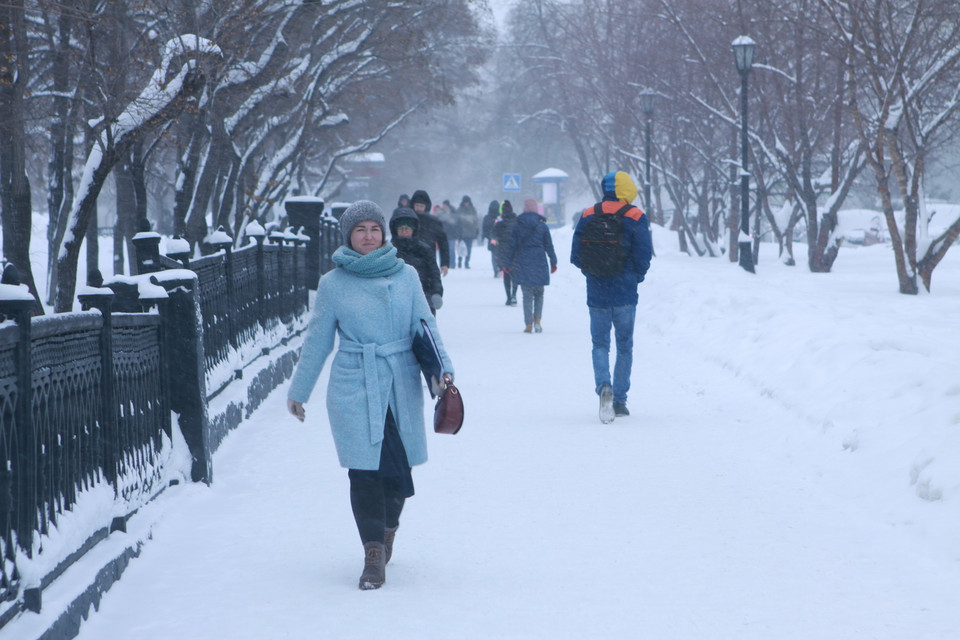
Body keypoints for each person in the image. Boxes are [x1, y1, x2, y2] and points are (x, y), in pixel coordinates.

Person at [286, 200, 454, 590]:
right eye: (360, 230)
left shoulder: (407, 275)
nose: (368, 236)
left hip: (399, 382)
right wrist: (300, 390)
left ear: (384, 233)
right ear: (348, 236)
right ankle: (373, 553)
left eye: (374, 229)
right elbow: (317, 342)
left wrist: (444, 370)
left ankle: (389, 526)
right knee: (364, 471)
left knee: (397, 476)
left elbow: (425, 326)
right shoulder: (333, 283)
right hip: (353, 383)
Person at [570, 171, 652, 421]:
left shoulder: (588, 214)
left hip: (597, 293)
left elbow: (576, 254)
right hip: (625, 293)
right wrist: (635, 276)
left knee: (600, 344)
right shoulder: (635, 216)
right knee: (624, 346)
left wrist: (593, 273)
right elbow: (644, 255)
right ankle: (619, 400)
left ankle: (603, 385)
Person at [506, 198, 557, 333]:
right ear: (536, 209)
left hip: (523, 262)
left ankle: (528, 324)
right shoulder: (543, 226)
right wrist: (553, 262)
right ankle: (538, 321)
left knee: (527, 295)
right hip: (539, 262)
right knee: (539, 294)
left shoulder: (518, 226)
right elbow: (549, 246)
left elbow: (512, 247)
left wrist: (507, 263)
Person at [390, 206, 443, 314]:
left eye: (407, 229)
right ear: (395, 230)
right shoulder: (389, 251)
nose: (404, 232)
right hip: (395, 299)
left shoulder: (424, 250)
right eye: (401, 229)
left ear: (413, 230)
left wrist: (436, 292)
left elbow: (433, 272)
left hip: (423, 297)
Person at [409, 190, 449, 276]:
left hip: (428, 261)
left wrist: (444, 263)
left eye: (421, 206)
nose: (419, 208)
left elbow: (443, 242)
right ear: (413, 205)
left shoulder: (433, 222)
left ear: (426, 206)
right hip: (408, 260)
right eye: (417, 205)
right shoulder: (406, 220)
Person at [492, 200, 518, 305]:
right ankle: (514, 295)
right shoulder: (517, 222)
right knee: (515, 274)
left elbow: (493, 235)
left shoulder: (500, 223)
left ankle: (508, 297)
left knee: (506, 274)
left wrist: (494, 244)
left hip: (503, 251)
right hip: (515, 250)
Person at [456, 195, 480, 269]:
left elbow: (476, 221)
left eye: (467, 202)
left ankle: (466, 262)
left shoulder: (472, 209)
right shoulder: (460, 209)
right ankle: (460, 261)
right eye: (465, 202)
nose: (466, 203)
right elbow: (457, 221)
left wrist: (476, 230)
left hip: (470, 232)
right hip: (462, 233)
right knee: (461, 248)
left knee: (468, 249)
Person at [481, 200, 500, 277]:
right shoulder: (500, 217)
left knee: (494, 254)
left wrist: (486, 235)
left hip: (492, 238)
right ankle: (499, 268)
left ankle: (496, 270)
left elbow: (484, 228)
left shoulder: (487, 217)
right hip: (500, 238)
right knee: (499, 253)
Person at [438, 200, 459, 269]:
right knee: (443, 250)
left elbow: (455, 222)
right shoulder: (440, 213)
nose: (444, 207)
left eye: (445, 205)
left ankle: (452, 263)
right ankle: (444, 264)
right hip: (443, 234)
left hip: (452, 234)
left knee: (452, 249)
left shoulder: (453, 212)